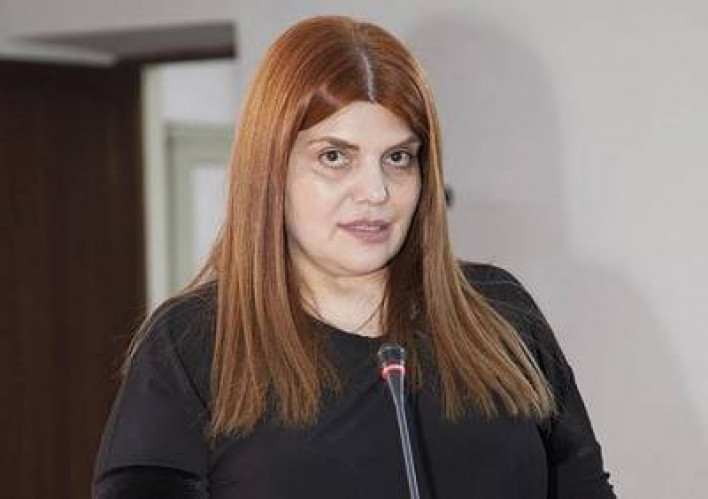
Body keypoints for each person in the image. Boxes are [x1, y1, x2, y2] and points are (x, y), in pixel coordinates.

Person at [93, 15, 615, 499]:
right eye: (334, 157)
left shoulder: (501, 312)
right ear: (270, 171)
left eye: (398, 158)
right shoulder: (194, 342)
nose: (376, 191)